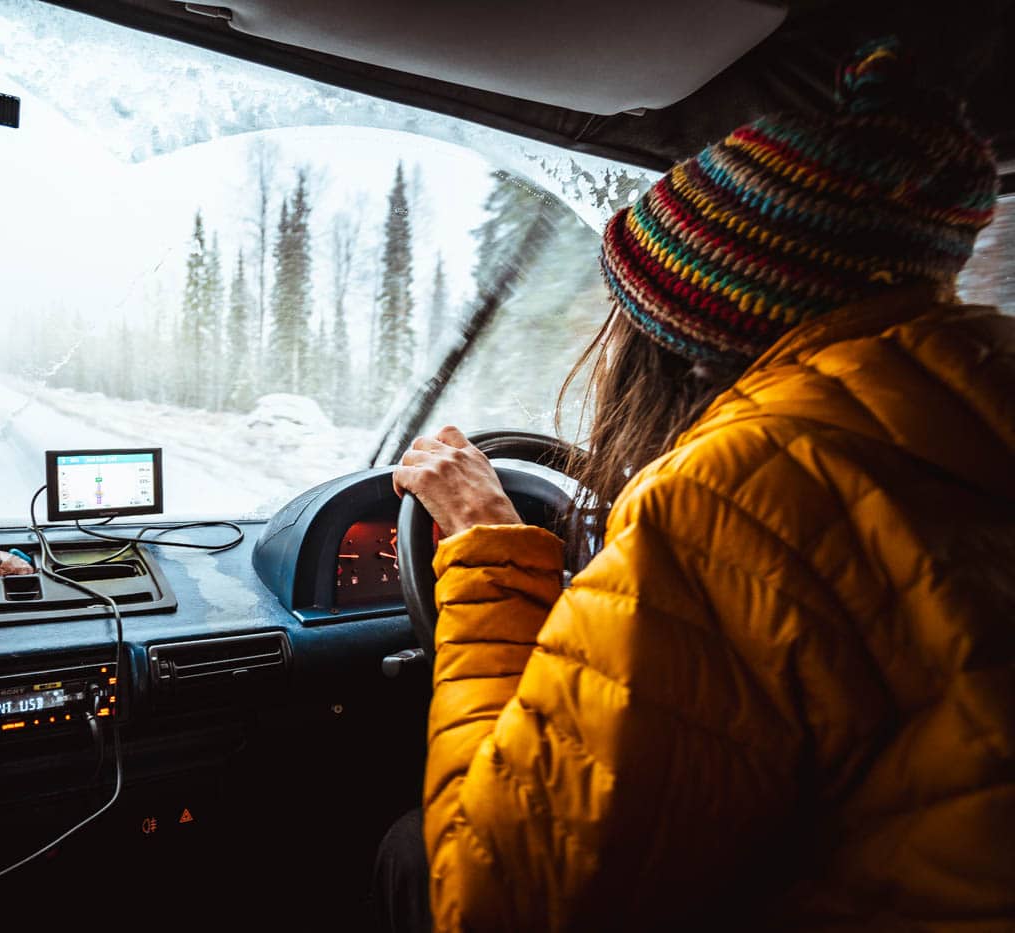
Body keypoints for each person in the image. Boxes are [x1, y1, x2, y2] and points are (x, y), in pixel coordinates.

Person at [379, 38, 1014, 931]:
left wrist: (489, 549)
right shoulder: (967, 411)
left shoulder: (731, 494)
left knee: (416, 848)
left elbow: (494, 897)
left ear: (684, 336)